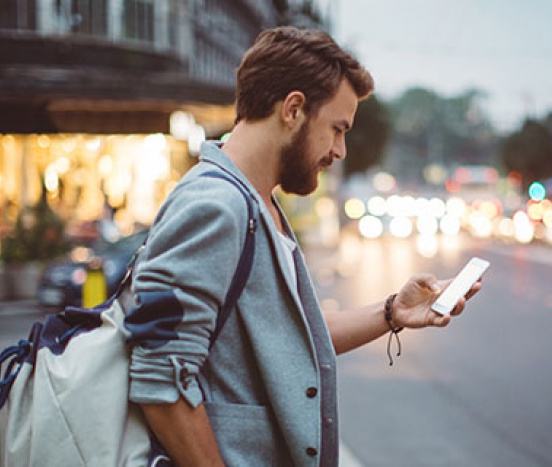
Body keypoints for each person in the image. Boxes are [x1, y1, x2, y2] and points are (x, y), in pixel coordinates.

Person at [127, 26, 483, 466]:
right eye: (337, 128)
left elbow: (287, 340)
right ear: (293, 109)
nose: (341, 150)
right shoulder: (216, 205)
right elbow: (160, 376)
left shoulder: (255, 202)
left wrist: (393, 312)